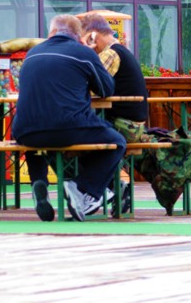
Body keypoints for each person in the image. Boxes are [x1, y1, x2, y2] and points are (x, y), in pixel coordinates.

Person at [13, 14, 126, 222]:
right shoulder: (83, 53)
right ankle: (81, 187)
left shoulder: (32, 53)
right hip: (68, 127)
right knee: (117, 142)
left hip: (24, 131)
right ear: (79, 35)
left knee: (37, 130)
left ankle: (40, 182)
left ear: (51, 33)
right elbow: (105, 89)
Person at [81, 13, 191, 215]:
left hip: (124, 126)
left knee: (75, 137)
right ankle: (109, 188)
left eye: (83, 38)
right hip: (133, 124)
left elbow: (89, 86)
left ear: (92, 36)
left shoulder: (110, 54)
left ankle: (99, 190)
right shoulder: (121, 50)